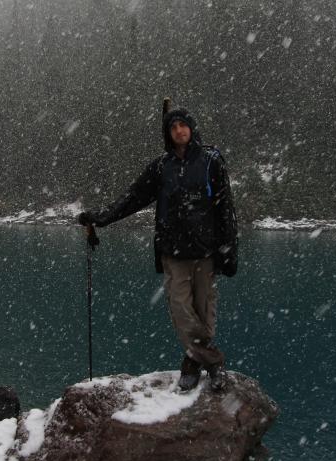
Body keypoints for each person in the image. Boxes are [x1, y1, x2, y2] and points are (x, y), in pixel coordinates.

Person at [78, 106, 238, 392]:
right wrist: (101, 217)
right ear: (168, 133)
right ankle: (213, 363)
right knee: (181, 310)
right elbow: (133, 198)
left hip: (205, 250)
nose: (179, 130)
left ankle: (192, 362)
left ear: (191, 128)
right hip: (173, 252)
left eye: (183, 125)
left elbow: (225, 207)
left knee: (205, 311)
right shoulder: (160, 167)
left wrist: (229, 248)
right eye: (173, 126)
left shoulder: (212, 161)